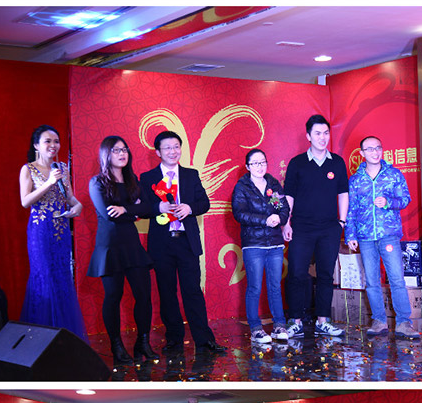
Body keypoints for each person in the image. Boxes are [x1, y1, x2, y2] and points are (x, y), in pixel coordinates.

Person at [139, 131, 226, 355]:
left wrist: (190, 208)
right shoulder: (147, 178)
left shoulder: (190, 175)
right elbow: (142, 208)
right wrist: (158, 207)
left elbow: (204, 203)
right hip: (162, 244)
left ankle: (204, 340)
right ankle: (174, 339)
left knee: (193, 291)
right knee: (167, 292)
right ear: (158, 152)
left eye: (176, 146)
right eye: (167, 148)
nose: (173, 151)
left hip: (186, 241)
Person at [87, 135, 158, 368]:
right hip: (109, 247)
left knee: (144, 296)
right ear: (106, 154)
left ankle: (143, 342)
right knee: (113, 297)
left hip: (132, 245)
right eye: (117, 150)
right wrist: (133, 211)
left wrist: (126, 210)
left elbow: (148, 209)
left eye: (125, 149)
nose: (122, 153)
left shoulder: (132, 180)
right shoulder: (97, 182)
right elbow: (109, 214)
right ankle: (116, 346)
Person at [345, 135, 420, 339]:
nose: (375, 152)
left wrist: (388, 202)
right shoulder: (356, 179)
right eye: (369, 149)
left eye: (378, 148)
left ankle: (404, 323)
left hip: (389, 235)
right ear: (362, 153)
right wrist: (350, 234)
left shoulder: (394, 174)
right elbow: (351, 209)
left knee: (396, 278)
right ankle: (379, 321)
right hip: (365, 237)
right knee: (371, 281)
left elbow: (405, 199)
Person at [282, 114, 349, 338]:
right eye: (317, 133)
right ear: (308, 136)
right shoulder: (297, 163)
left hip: (329, 228)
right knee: (296, 273)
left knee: (326, 275)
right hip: (301, 227)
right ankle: (295, 321)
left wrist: (341, 222)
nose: (323, 137)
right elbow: (289, 195)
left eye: (326, 133)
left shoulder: (337, 162)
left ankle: (323, 321)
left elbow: (343, 193)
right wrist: (286, 222)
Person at [19, 124, 87, 339]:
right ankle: (41, 338)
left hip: (61, 231)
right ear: (36, 145)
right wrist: (49, 182)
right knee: (44, 277)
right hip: (40, 232)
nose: (53, 145)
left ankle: (64, 337)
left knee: (62, 277)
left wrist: (78, 206)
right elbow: (25, 201)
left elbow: (70, 198)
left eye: (56, 141)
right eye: (47, 141)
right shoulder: (28, 169)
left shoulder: (62, 168)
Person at [231, 149, 290, 344]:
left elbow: (284, 208)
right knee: (255, 287)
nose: (259, 166)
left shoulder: (273, 184)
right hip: (253, 244)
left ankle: (279, 325)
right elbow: (240, 213)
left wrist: (279, 219)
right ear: (247, 167)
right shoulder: (242, 187)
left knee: (275, 286)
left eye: (262, 162)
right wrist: (265, 220)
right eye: (255, 163)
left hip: (275, 243)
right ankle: (256, 329)